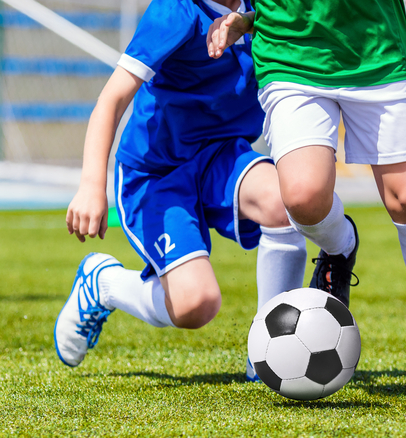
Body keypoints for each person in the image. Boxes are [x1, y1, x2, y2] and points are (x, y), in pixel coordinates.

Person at [207, 0, 406, 396]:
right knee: (303, 196)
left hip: (375, 48)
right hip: (292, 51)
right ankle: (340, 246)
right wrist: (249, 19)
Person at [52, 0, 309, 383]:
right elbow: (112, 99)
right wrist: (92, 184)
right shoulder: (174, 11)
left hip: (222, 154)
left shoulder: (269, 6)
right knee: (196, 305)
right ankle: (104, 283)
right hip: (159, 171)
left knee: (286, 201)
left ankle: (269, 351)